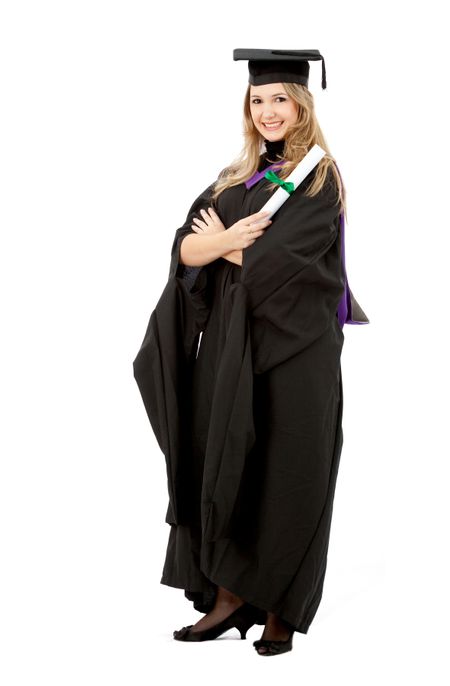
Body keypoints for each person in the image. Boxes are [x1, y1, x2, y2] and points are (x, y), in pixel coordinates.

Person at [133, 48, 369, 657]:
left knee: (291, 471)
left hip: (298, 352)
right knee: (226, 459)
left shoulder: (319, 178)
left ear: (302, 105)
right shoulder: (235, 180)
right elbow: (184, 252)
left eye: (280, 99)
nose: (268, 111)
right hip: (234, 350)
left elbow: (286, 263)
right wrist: (221, 243)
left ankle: (280, 609)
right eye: (258, 100)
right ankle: (230, 597)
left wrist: (225, 244)